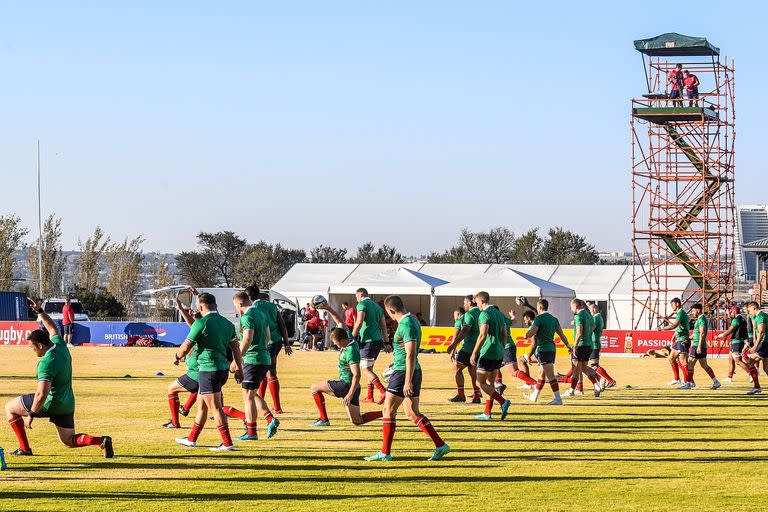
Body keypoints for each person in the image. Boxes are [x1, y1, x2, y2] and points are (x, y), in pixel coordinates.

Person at [4, 298, 113, 458]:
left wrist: (31, 415)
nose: (32, 351)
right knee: (68, 440)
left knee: (9, 408)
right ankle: (101, 441)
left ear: (40, 345)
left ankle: (24, 448)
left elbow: (42, 394)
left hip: (50, 403)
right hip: (67, 402)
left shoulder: (46, 363)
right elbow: (52, 327)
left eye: (32, 347)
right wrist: (40, 311)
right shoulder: (59, 344)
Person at [363, 295, 450, 462]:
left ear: (390, 310)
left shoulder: (407, 324)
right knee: (411, 413)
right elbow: (406, 352)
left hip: (404, 373)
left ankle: (385, 453)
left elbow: (410, 354)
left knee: (388, 410)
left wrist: (407, 380)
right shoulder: (412, 321)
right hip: (408, 370)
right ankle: (440, 445)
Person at [174, 292, 244, 452]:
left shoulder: (201, 323)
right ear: (216, 306)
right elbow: (236, 349)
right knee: (202, 407)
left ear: (199, 307)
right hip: (222, 370)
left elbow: (186, 347)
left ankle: (227, 443)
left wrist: (177, 356)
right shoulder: (227, 324)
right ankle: (191, 439)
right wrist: (239, 368)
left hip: (208, 370)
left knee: (216, 408)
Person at [309, 301, 384, 427]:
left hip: (346, 385)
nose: (336, 345)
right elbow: (339, 321)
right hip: (354, 388)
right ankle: (386, 412)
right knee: (357, 421)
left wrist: (349, 393)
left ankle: (323, 420)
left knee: (314, 387)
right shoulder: (349, 338)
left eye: (337, 343)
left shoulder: (350, 352)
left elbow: (357, 375)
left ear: (343, 340)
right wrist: (328, 308)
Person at [220, 292, 280, 441]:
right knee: (251, 394)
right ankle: (269, 419)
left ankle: (251, 432)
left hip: (252, 360)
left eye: (235, 306)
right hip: (264, 358)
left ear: (240, 304)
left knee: (248, 397)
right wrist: (261, 349)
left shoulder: (247, 317)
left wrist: (236, 361)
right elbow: (267, 336)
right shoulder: (260, 313)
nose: (236, 309)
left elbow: (247, 338)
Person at [245, 285, 292, 414]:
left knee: (270, 372)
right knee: (265, 372)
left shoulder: (252, 308)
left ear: (249, 297)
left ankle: (277, 407)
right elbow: (282, 324)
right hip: (276, 341)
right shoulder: (271, 306)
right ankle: (264, 402)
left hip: (266, 343)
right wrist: (286, 343)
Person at [469, 292, 511, 421]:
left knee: (479, 382)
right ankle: (487, 412)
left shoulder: (484, 314)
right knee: (490, 383)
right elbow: (505, 334)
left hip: (488, 351)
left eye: (477, 303)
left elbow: (482, 335)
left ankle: (503, 401)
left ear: (481, 301)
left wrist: (474, 352)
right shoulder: (499, 314)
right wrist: (501, 348)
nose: (478, 306)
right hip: (498, 351)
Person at [163, 294, 201, 429]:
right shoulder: (207, 328)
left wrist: (178, 357)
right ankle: (185, 409)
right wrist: (180, 308)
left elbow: (186, 345)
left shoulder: (198, 329)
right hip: (206, 374)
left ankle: (175, 422)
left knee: (171, 389)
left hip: (196, 374)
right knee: (212, 405)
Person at [522, 299, 570, 405]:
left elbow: (532, 332)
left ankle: (558, 399)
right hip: (552, 349)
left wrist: (526, 335)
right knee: (541, 374)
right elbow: (562, 335)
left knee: (550, 376)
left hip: (543, 350)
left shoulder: (539, 318)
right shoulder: (554, 319)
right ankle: (535, 395)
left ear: (539, 307)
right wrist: (568, 346)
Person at [352, 288, 389, 404]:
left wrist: (352, 337)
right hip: (377, 341)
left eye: (356, 296)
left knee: (365, 369)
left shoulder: (362, 304)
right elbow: (383, 326)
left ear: (361, 294)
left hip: (368, 340)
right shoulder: (378, 307)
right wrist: (387, 342)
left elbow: (359, 322)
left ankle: (384, 392)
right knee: (370, 368)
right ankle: (370, 396)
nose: (356, 299)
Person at [445, 295, 482, 403]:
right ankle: (476, 396)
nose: (464, 305)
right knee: (472, 371)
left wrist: (453, 345)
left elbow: (464, 331)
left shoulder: (469, 315)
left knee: (456, 368)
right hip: (479, 347)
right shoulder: (481, 313)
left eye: (465, 303)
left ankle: (461, 395)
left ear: (470, 303)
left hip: (468, 347)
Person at [563, 299, 603, 398]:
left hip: (580, 345)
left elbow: (579, 333)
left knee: (576, 369)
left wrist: (574, 346)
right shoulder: (589, 315)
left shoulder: (578, 316)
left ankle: (572, 390)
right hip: (589, 345)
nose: (571, 309)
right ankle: (596, 385)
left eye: (571, 307)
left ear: (575, 306)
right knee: (584, 368)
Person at [495, 307, 537, 393]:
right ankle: (499, 385)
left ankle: (534, 383)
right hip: (505, 347)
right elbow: (513, 322)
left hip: (506, 347)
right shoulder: (503, 318)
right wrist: (513, 316)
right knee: (494, 368)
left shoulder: (495, 320)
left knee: (513, 371)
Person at [682, 303, 720, 390]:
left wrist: (698, 346)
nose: (692, 312)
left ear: (698, 310)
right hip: (700, 345)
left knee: (690, 364)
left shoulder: (701, 319)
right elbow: (697, 333)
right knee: (704, 365)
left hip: (697, 345)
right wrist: (688, 339)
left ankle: (689, 383)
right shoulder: (700, 319)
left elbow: (702, 333)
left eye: (693, 310)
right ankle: (716, 381)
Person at [661, 298, 692, 386]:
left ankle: (688, 382)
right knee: (671, 358)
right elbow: (679, 327)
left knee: (683, 362)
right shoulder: (680, 313)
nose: (671, 306)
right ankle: (677, 379)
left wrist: (662, 328)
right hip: (679, 339)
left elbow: (675, 325)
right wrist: (675, 335)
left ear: (677, 304)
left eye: (672, 304)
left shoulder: (681, 313)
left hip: (683, 340)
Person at [716, 306, 750, 382]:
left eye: (731, 312)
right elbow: (745, 332)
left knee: (737, 361)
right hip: (739, 341)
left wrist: (719, 336)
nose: (730, 314)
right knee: (731, 359)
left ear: (734, 311)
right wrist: (746, 341)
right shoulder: (743, 319)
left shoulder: (736, 320)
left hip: (736, 341)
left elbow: (729, 331)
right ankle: (729, 377)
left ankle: (751, 373)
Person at [589, 303, 616, 388]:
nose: (590, 313)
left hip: (593, 344)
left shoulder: (595, 318)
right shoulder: (599, 317)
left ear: (593, 310)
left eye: (590, 310)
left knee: (593, 366)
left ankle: (608, 380)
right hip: (596, 343)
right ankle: (605, 379)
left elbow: (591, 329)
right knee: (593, 365)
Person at [744, 302, 767, 394]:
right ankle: (757, 386)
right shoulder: (763, 315)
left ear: (754, 308)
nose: (749, 313)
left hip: (764, 343)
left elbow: (761, 332)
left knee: (750, 362)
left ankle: (757, 386)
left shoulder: (760, 316)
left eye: (749, 310)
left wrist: (755, 346)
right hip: (765, 343)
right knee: (766, 368)